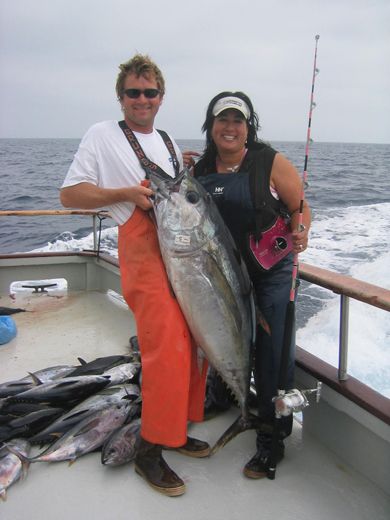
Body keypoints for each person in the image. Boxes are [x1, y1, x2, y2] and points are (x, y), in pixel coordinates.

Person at [60, 54, 209, 497]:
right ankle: (148, 450)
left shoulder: (163, 137)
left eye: (150, 92)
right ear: (120, 96)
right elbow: (70, 194)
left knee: (194, 339)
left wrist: (178, 163)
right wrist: (123, 193)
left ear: (161, 97)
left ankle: (174, 431)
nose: (141, 99)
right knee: (166, 346)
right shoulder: (101, 134)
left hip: (180, 249)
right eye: (133, 92)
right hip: (142, 249)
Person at [185, 91, 311, 479]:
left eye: (237, 121)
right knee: (220, 335)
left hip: (272, 271)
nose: (230, 127)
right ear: (211, 127)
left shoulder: (269, 162)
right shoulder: (201, 168)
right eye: (222, 120)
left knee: (272, 354)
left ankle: (271, 440)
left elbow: (300, 206)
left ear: (248, 127)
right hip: (227, 271)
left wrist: (302, 227)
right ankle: (226, 395)